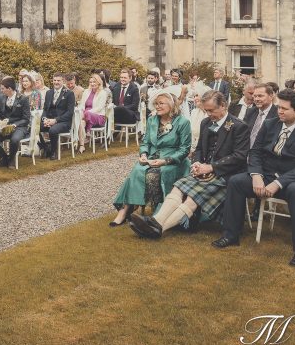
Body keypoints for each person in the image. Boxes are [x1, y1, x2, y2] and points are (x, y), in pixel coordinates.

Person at [213, 88, 295, 267]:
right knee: (236, 182)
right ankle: (231, 235)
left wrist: (279, 183)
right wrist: (256, 175)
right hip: (268, 174)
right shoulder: (271, 124)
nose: (280, 111)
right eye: (279, 107)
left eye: (285, 109)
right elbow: (255, 151)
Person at [129, 91, 249, 238]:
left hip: (226, 175)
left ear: (223, 106)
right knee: (178, 187)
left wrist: (212, 167)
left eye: (211, 110)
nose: (208, 114)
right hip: (204, 171)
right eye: (206, 110)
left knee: (192, 197)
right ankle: (156, 222)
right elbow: (198, 149)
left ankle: (158, 229)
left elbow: (240, 157)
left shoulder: (239, 126)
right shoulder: (206, 123)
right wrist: (197, 163)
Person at [110, 92, 192, 226]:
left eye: (161, 103)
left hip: (174, 161)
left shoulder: (183, 122)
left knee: (158, 173)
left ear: (171, 105)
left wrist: (165, 161)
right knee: (137, 170)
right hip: (152, 158)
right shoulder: (152, 120)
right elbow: (145, 142)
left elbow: (185, 149)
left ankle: (158, 214)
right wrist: (143, 154)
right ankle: (125, 210)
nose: (158, 106)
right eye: (156, 104)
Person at [0, 76, 32, 168]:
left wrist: (14, 125)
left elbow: (26, 119)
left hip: (19, 127)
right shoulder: (2, 98)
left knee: (14, 140)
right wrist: (0, 122)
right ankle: (4, 158)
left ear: (9, 89)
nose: (1, 91)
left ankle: (11, 159)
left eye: (2, 88)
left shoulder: (23, 99)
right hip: (4, 127)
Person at [40, 73, 75, 159]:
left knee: (52, 130)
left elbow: (70, 112)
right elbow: (45, 109)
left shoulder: (69, 94)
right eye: (54, 80)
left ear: (63, 81)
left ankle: (53, 151)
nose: (56, 82)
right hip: (49, 120)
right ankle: (45, 148)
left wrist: (55, 120)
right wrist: (44, 119)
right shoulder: (49, 92)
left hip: (63, 122)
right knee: (35, 128)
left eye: (58, 80)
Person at [76, 72, 110, 153]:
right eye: (90, 82)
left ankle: (84, 135)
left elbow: (99, 107)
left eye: (94, 82)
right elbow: (81, 105)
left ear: (98, 82)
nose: (92, 84)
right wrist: (82, 111)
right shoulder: (86, 91)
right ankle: (82, 145)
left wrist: (87, 112)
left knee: (84, 115)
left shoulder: (103, 92)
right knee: (81, 121)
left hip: (98, 116)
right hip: (85, 116)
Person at [246, 83, 278, 149]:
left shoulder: (277, 114)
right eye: (255, 96)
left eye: (260, 96)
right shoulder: (250, 112)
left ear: (271, 96)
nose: (256, 99)